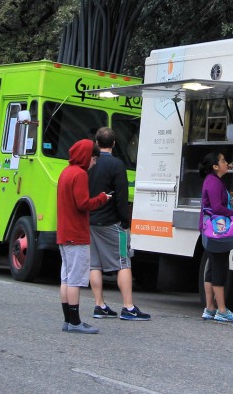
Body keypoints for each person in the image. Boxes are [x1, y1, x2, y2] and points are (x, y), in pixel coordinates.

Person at [87, 127, 150, 321]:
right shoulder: (117, 165)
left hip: (89, 221)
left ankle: (99, 305)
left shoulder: (89, 164)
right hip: (111, 222)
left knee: (94, 265)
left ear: (97, 143)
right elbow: (121, 197)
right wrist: (125, 221)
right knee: (123, 262)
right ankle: (128, 307)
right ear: (114, 144)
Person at [57, 138, 111, 334]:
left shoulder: (65, 172)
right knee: (76, 279)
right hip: (76, 233)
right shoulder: (79, 174)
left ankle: (67, 320)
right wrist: (102, 198)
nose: (94, 162)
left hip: (64, 232)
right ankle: (75, 321)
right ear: (86, 156)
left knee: (66, 278)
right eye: (93, 158)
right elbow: (83, 204)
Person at [199, 153, 233, 323]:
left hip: (210, 229)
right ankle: (222, 309)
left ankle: (210, 307)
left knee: (211, 269)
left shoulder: (212, 181)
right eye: (223, 161)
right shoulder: (213, 182)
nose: (226, 163)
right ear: (215, 167)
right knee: (219, 267)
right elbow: (217, 207)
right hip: (217, 231)